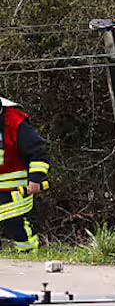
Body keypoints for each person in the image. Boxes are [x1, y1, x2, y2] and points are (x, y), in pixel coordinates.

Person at [0, 97, 50, 253]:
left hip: (15, 191)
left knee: (19, 226)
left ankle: (29, 258)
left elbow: (37, 152)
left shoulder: (15, 122)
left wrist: (35, 179)